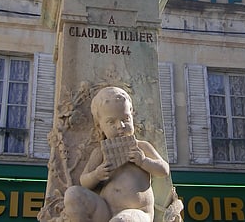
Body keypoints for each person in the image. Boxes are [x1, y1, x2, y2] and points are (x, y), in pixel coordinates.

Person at [63, 86, 170, 222]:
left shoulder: (141, 147)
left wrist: (143, 162)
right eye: (111, 122)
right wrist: (96, 175)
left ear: (132, 117)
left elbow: (164, 170)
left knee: (122, 221)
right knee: (73, 194)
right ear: (100, 126)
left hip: (137, 213)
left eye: (125, 119)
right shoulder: (100, 152)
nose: (120, 126)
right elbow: (84, 181)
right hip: (105, 210)